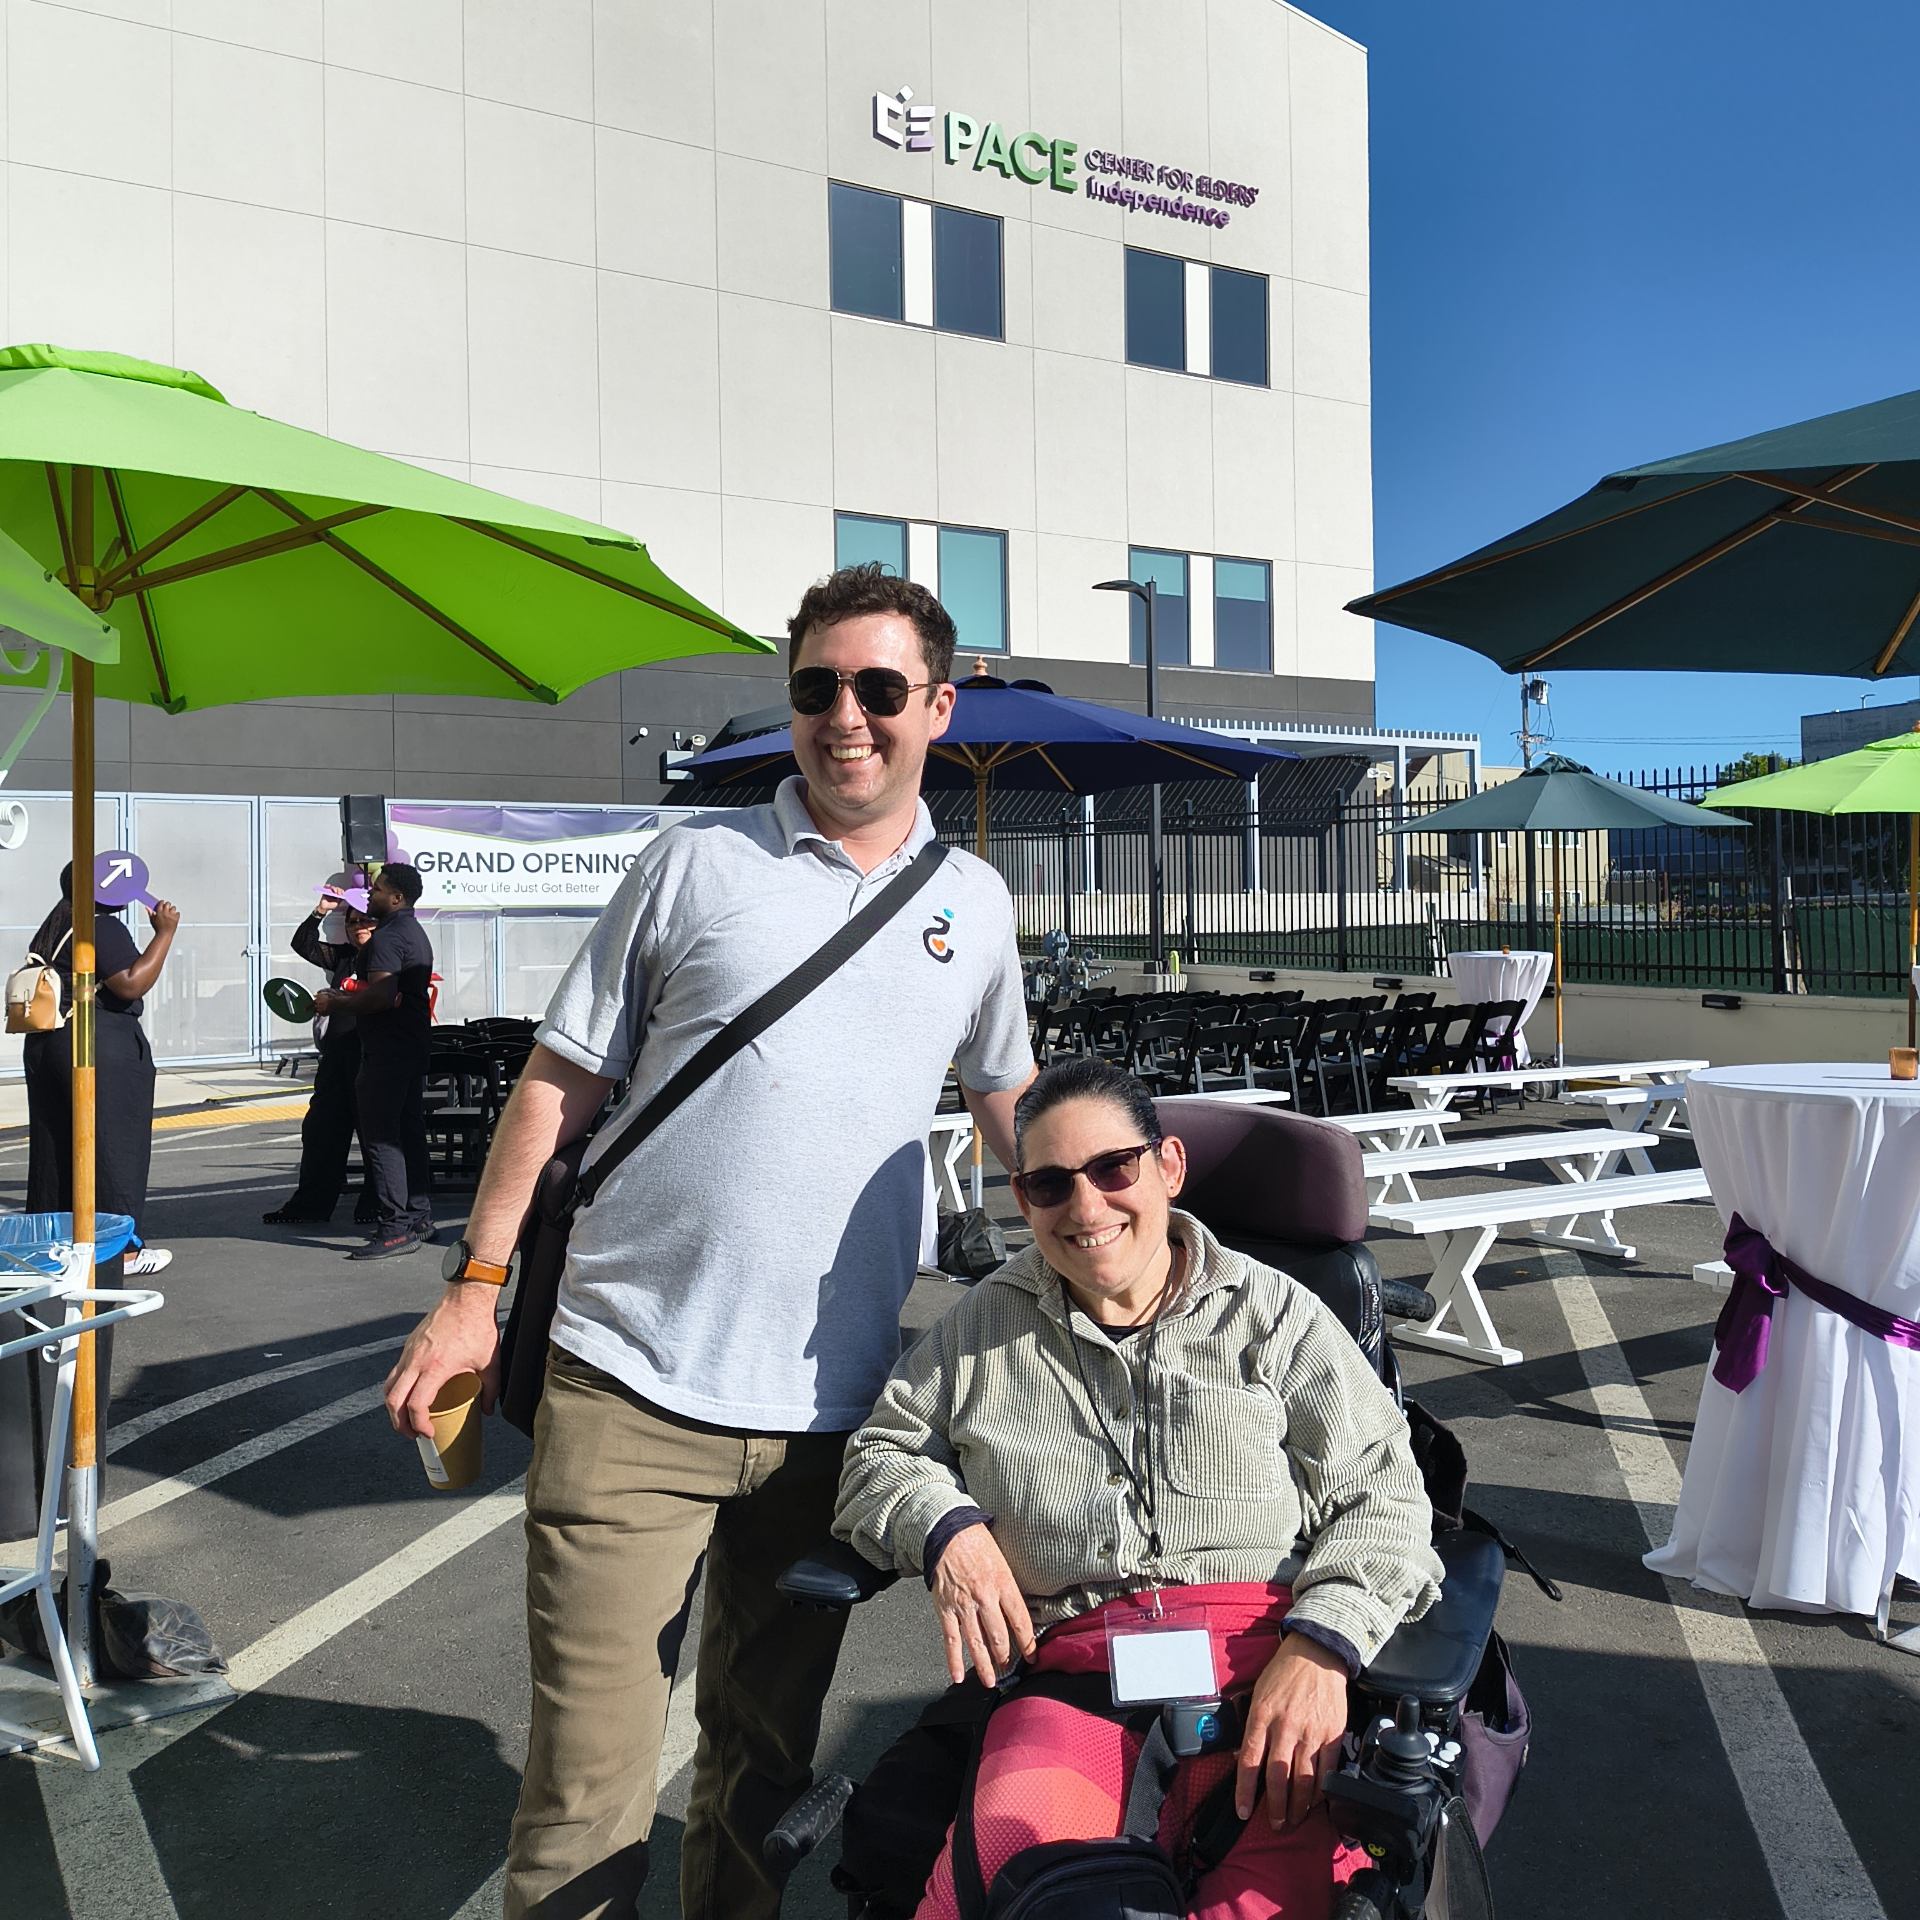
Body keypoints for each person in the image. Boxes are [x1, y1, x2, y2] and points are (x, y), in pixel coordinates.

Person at [382, 563, 1036, 1920]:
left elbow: (1008, 1107)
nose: (843, 717)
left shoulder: (975, 905)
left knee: (763, 1766)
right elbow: (557, 1084)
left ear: (939, 706)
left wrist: (1120, 1244)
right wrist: (473, 1291)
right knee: (589, 1781)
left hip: (832, 1416)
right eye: (814, 689)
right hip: (626, 1387)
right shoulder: (694, 859)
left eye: (875, 688)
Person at [835, 1057, 1444, 1920]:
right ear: (1021, 1195)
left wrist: (1325, 1649)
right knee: (1014, 1881)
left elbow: (1385, 1493)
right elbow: (880, 1455)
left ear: (1168, 1167)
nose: (1085, 1208)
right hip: (1076, 1677)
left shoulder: (1274, 1313)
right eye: (1049, 1185)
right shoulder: (983, 1325)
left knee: (1279, 1901)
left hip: (1266, 1670)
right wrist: (945, 1529)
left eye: (1113, 1169)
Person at [0, 865, 179, 1540]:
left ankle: (58, 1241)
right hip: (97, 1051)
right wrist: (165, 934)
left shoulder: (59, 919)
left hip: (52, 1050)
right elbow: (130, 983)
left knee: (57, 1154)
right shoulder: (102, 927)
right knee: (114, 1150)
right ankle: (120, 1244)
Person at [317, 861, 435, 1259]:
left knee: (382, 1137)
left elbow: (380, 997)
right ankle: (418, 1216)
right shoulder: (414, 933)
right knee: (408, 1130)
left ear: (397, 897)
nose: (371, 894)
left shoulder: (386, 939)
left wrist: (336, 1001)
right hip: (411, 1044)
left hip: (386, 1049)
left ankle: (395, 1227)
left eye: (379, 889)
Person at [262, 882, 377, 1227]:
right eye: (352, 921)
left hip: (369, 1058)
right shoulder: (344, 958)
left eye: (365, 921)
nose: (358, 927)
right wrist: (322, 910)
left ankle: (375, 1205)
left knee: (373, 1135)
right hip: (337, 1057)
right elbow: (303, 944)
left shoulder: (387, 956)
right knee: (321, 1130)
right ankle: (310, 1204)